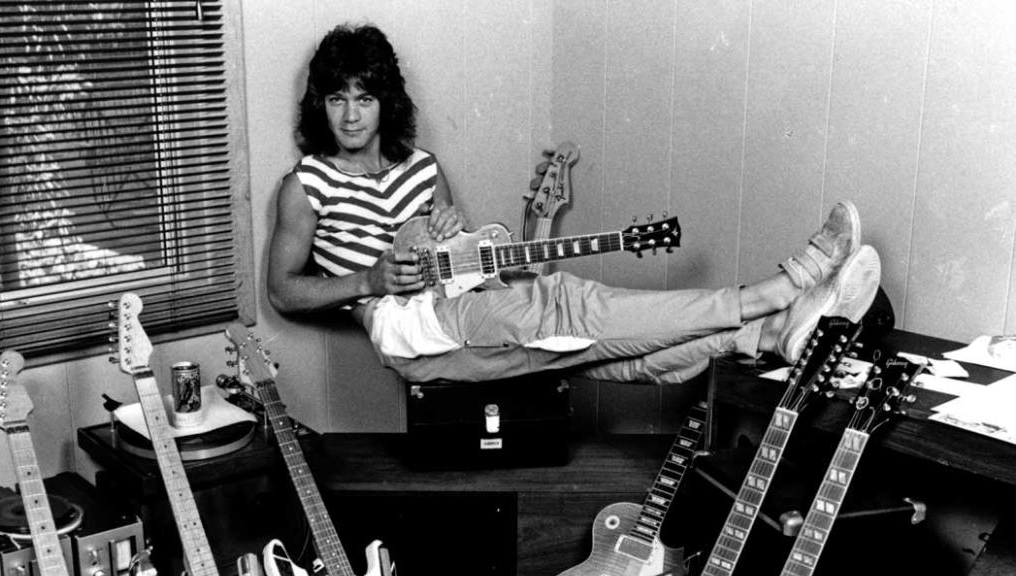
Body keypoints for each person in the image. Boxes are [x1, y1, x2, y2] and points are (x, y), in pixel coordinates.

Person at [267, 23, 881, 384]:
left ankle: (769, 336)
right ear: (319, 104)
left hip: (464, 306)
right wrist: (370, 276)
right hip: (409, 330)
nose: (350, 114)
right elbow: (282, 292)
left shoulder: (424, 168)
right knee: (570, 304)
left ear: (385, 102)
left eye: (363, 98)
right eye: (336, 99)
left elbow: (466, 261)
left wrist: (455, 230)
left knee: (601, 357)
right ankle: (771, 293)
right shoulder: (308, 184)